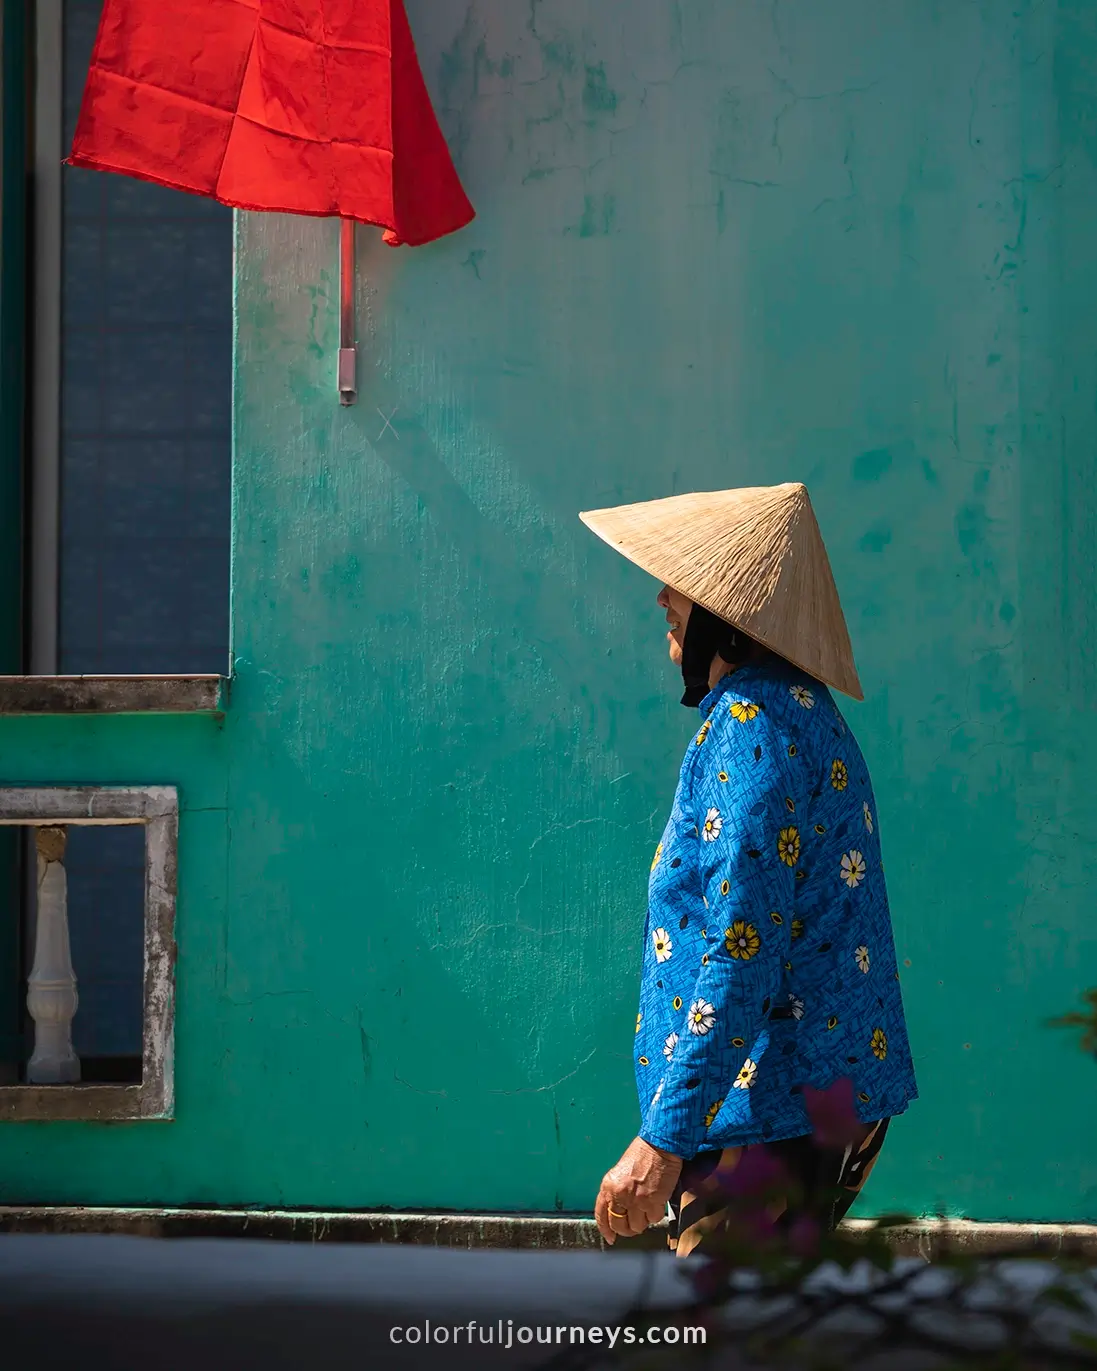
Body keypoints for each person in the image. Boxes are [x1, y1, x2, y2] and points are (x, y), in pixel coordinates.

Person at [579, 483, 917, 1257]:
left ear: (725, 617)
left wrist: (661, 1141)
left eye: (682, 587)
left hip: (768, 1110)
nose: (661, 597)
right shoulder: (808, 715)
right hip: (819, 1096)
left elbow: (741, 947)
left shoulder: (749, 727)